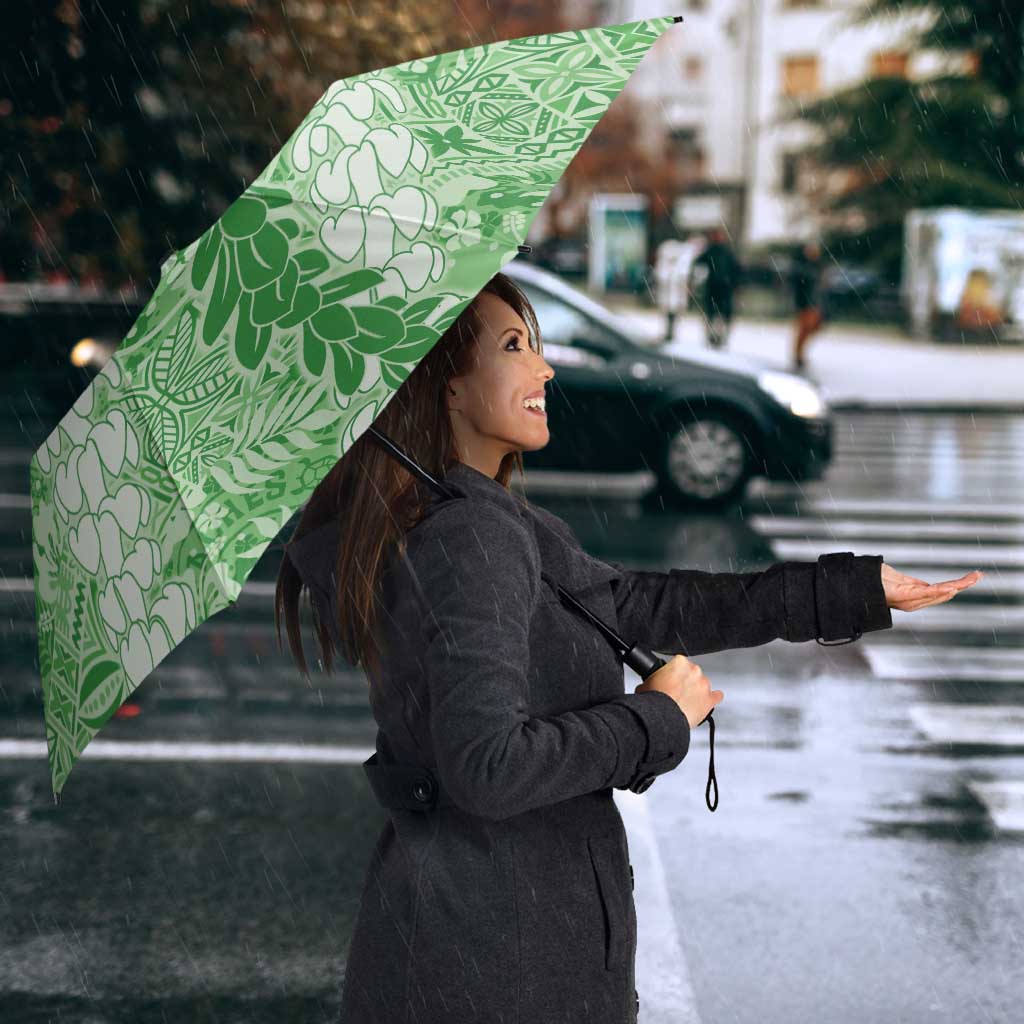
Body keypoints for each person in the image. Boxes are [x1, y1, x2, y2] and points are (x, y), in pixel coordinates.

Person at [275, 271, 973, 1024]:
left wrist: (851, 591)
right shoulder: (468, 536)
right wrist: (656, 719)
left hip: (477, 944)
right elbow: (488, 768)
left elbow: (640, 605)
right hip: (497, 963)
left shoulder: (475, 518)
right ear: (445, 385)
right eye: (515, 346)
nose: (544, 368)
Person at [692, 226, 742, 349]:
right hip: (715, 288)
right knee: (713, 314)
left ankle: (719, 337)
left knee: (720, 315)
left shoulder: (725, 252)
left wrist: (735, 284)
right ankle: (713, 337)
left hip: (723, 288)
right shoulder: (712, 251)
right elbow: (698, 264)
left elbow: (736, 270)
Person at [790, 239, 826, 371]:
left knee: (812, 328)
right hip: (805, 303)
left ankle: (800, 354)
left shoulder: (817, 266)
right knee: (804, 329)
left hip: (814, 303)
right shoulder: (802, 267)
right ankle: (798, 355)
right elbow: (799, 286)